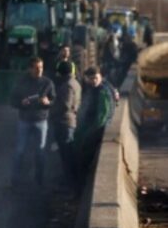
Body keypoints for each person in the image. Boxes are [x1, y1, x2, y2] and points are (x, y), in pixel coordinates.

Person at [9, 57, 56, 186]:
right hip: (24, 120)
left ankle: (39, 180)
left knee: (40, 151)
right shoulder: (22, 82)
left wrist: (48, 102)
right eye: (36, 68)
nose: (39, 70)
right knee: (20, 150)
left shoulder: (47, 83)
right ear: (30, 69)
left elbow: (54, 100)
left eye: (41, 67)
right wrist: (21, 103)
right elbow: (12, 100)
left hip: (41, 121)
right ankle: (15, 179)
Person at [76, 66, 115, 185]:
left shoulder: (102, 91)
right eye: (91, 78)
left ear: (100, 77)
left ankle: (81, 184)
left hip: (96, 131)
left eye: (96, 78)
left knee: (85, 156)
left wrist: (90, 133)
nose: (94, 81)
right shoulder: (93, 89)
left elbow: (102, 116)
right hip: (91, 128)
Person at [51, 60, 81, 192]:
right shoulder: (75, 83)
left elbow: (65, 105)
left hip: (65, 122)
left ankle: (70, 184)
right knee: (68, 153)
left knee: (66, 155)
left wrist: (51, 108)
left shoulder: (67, 85)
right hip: (70, 121)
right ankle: (71, 182)